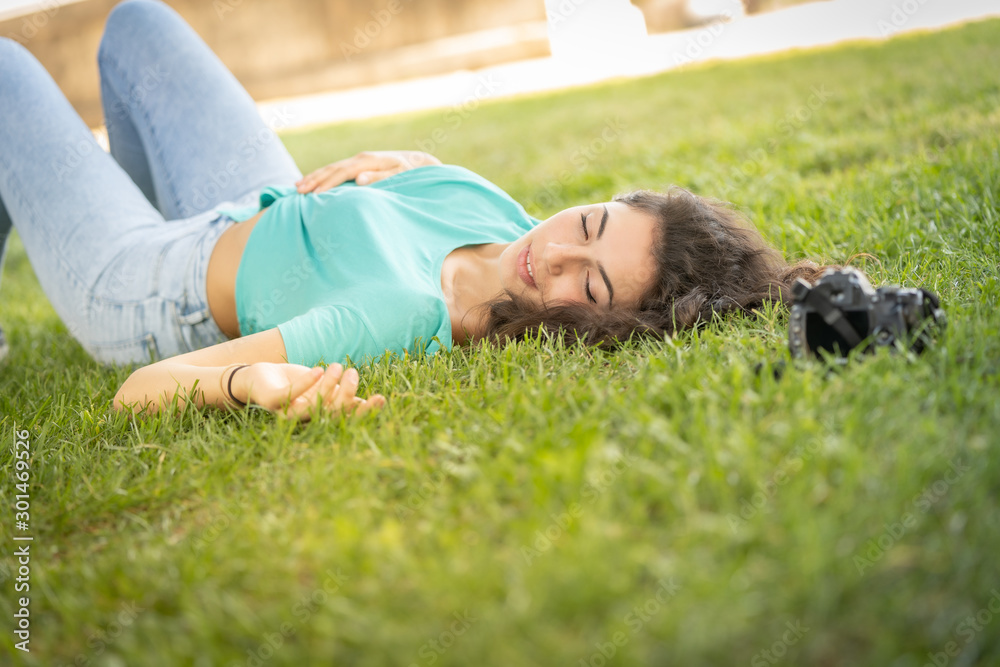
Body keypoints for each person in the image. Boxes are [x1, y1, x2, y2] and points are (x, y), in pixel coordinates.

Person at [0, 0, 837, 422]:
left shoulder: (398, 315)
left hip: (152, 285)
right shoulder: (491, 207)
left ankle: (77, 215)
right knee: (136, 22)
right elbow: (442, 203)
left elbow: (143, 390)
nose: (550, 259)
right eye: (585, 228)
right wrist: (418, 165)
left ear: (600, 332)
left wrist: (246, 380)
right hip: (247, 202)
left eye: (587, 290)